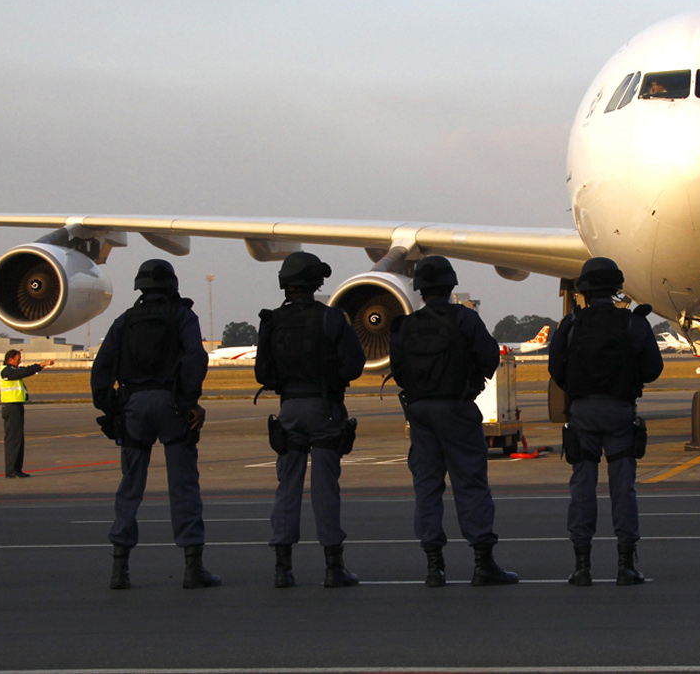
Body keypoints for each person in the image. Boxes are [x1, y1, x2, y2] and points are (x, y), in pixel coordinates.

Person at [389, 255, 518, 587]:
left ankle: (434, 565)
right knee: (470, 484)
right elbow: (490, 357)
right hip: (457, 410)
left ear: (420, 289)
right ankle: (483, 562)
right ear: (450, 286)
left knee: (427, 487)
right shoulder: (465, 319)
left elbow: (399, 370)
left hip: (420, 413)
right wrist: (468, 379)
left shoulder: (406, 325)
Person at [91, 259, 219, 590]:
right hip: (171, 405)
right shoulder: (182, 316)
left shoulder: (125, 320)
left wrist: (110, 408)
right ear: (171, 285)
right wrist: (189, 401)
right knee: (183, 485)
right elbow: (195, 358)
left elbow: (102, 367)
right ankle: (193, 567)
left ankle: (120, 568)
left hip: (133, 406)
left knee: (130, 487)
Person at [548, 257, 663, 586]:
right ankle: (625, 565)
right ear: (616, 289)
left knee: (582, 488)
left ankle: (582, 566)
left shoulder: (570, 324)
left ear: (584, 290)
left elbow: (556, 370)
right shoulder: (633, 323)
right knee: (623, 489)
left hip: (583, 411)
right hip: (618, 409)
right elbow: (653, 369)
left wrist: (578, 389)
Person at [255, 251, 366, 588]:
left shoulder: (272, 320)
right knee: (325, 489)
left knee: (286, 489)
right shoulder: (332, 319)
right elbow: (354, 365)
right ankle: (333, 568)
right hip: (324, 408)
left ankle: (282, 569)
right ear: (316, 281)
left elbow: (263, 372)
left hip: (289, 409)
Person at [0, 349, 53, 479]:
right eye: (18, 359)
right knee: (13, 439)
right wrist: (42, 364)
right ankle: (11, 470)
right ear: (10, 360)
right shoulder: (6, 371)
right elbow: (24, 371)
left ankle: (16, 469)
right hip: (11, 407)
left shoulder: (11, 369)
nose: (20, 361)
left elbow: (24, 370)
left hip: (16, 406)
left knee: (18, 439)